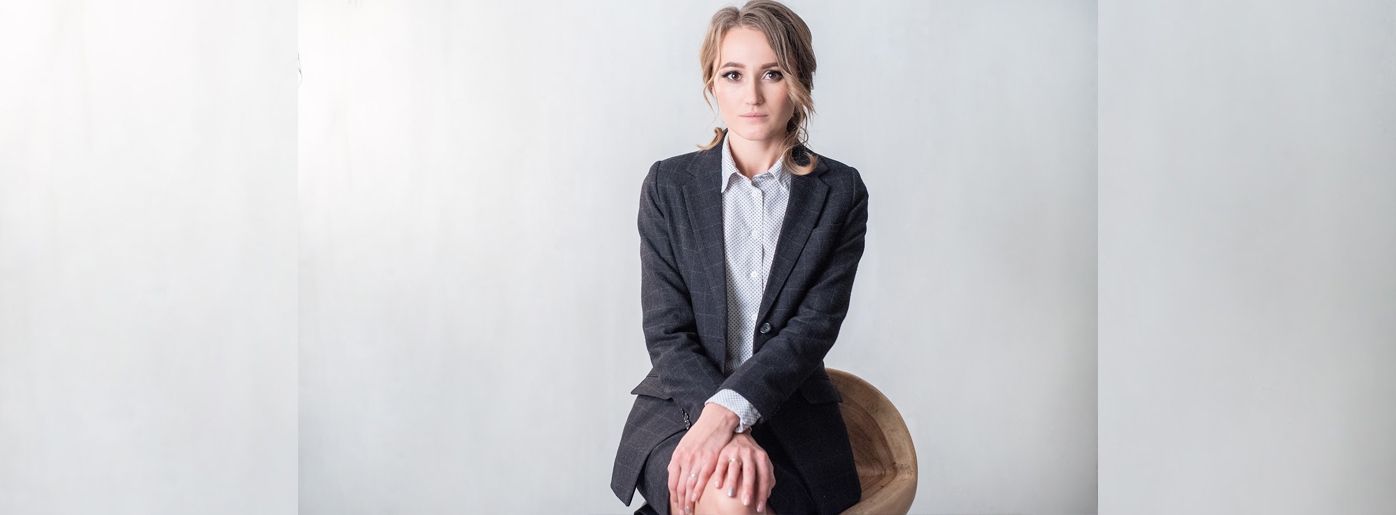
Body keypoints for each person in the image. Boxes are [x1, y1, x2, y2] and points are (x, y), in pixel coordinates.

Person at [610, 2, 868, 514]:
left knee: (737, 496)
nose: (752, 95)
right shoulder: (668, 186)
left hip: (791, 418)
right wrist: (717, 425)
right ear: (713, 82)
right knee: (733, 495)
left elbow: (813, 328)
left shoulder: (839, 192)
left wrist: (729, 415)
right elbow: (667, 331)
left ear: (799, 82)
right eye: (733, 74)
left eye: (772, 74)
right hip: (681, 410)